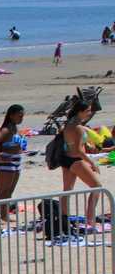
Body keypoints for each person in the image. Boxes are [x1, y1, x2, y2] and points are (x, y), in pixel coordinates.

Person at [59, 97, 103, 229]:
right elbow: (78, 150)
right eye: (88, 111)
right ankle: (90, 219)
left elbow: (72, 145)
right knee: (97, 187)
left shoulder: (68, 125)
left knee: (67, 190)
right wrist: (92, 163)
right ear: (80, 112)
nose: (89, 113)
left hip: (66, 159)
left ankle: (63, 219)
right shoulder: (78, 127)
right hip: (75, 160)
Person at [0, 104, 26, 205]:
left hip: (16, 161)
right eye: (19, 116)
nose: (21, 118)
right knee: (3, 191)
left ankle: (4, 215)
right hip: (6, 161)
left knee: (10, 191)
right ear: (11, 115)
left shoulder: (15, 128)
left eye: (22, 116)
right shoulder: (6, 129)